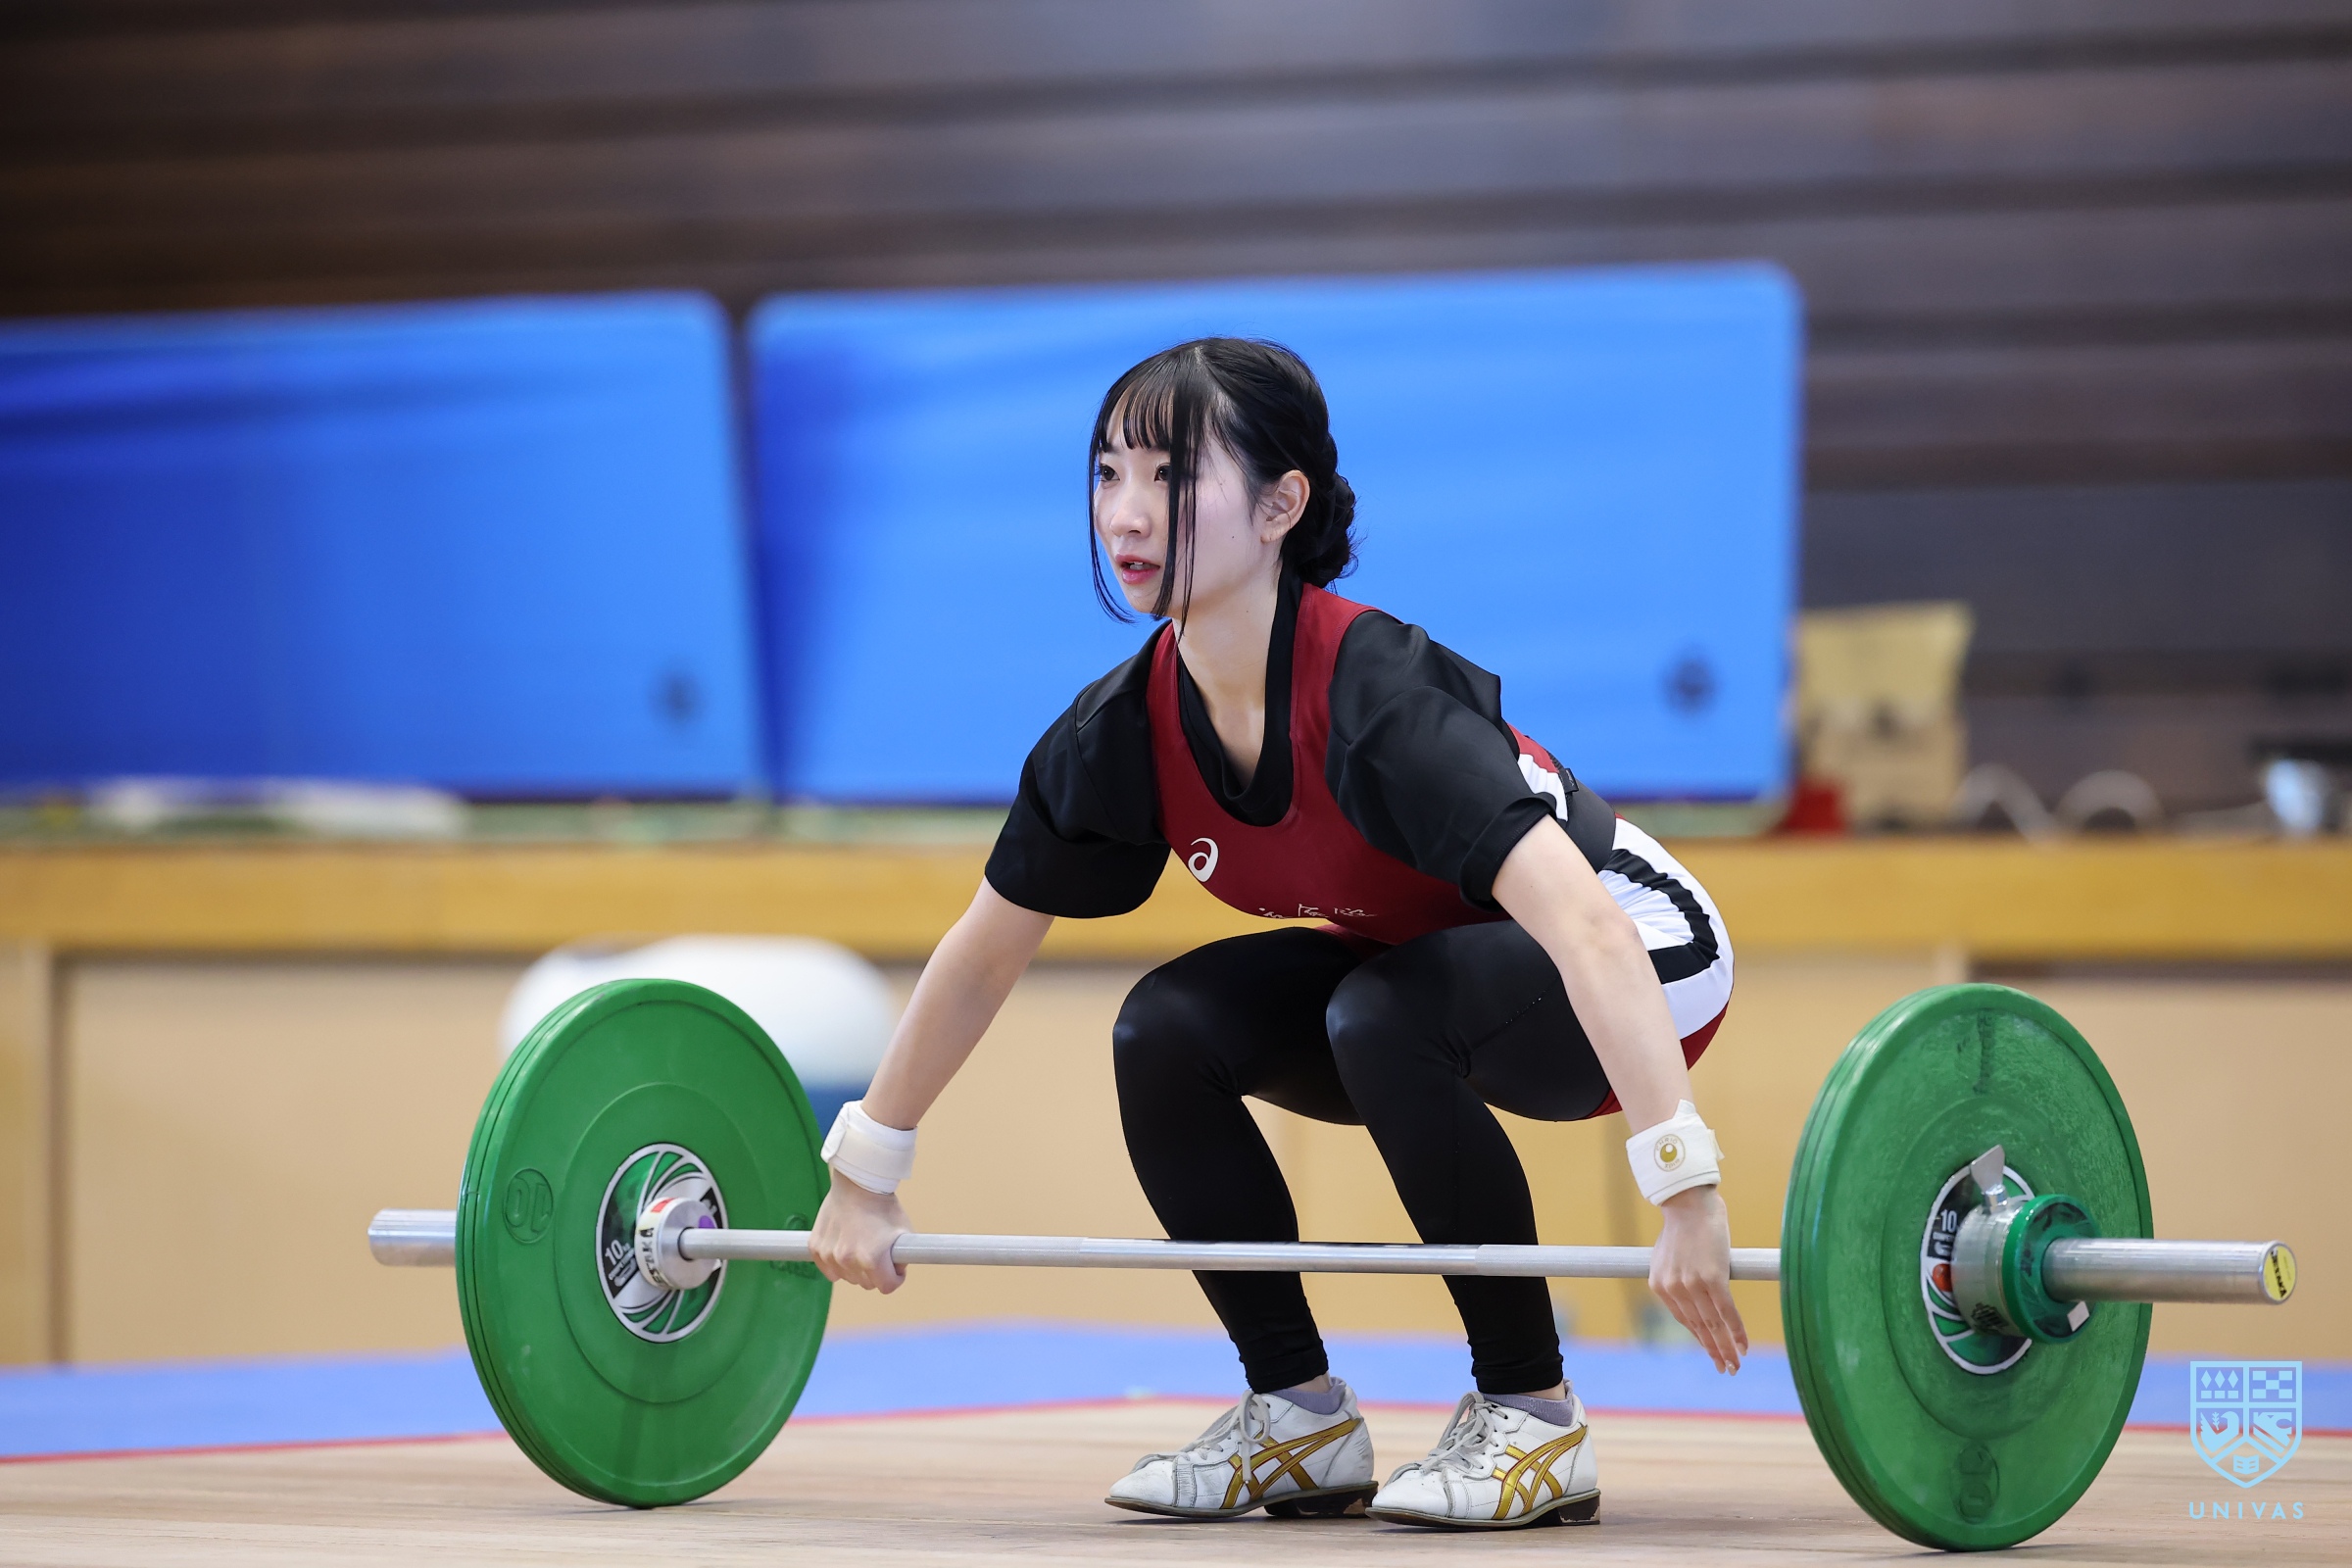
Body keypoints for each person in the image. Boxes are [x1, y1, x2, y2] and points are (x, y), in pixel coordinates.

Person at [810, 337, 1741, 1530]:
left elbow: (1589, 929)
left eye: (1171, 477)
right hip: (1422, 971)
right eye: (1107, 473)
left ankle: (1533, 1413)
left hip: (1646, 957)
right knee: (1166, 1027)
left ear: (1279, 506)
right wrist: (865, 1173)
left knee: (1382, 1013)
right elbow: (984, 952)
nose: (1126, 512)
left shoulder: (1378, 696)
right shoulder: (1119, 729)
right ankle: (1298, 1414)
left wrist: (1683, 1187)